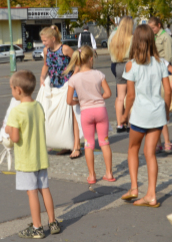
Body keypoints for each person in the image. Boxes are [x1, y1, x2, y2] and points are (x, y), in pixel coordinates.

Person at [6, 70, 61, 239]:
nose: (12, 92)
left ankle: (37, 227)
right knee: (44, 189)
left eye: (12, 89)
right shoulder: (38, 106)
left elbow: (15, 138)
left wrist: (8, 129)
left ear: (18, 90)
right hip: (40, 157)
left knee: (31, 192)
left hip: (26, 160)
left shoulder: (16, 112)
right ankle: (52, 222)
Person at [121, 24, 172, 208]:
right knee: (150, 154)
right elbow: (167, 90)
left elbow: (131, 95)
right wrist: (166, 110)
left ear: (135, 41)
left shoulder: (131, 65)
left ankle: (134, 188)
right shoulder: (161, 63)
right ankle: (152, 194)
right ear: (152, 41)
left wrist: (125, 114)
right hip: (157, 114)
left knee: (133, 149)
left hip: (140, 115)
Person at [66, 46, 115, 184]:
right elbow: (108, 93)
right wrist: (97, 97)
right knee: (104, 142)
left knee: (89, 144)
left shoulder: (74, 79)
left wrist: (81, 100)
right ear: (91, 59)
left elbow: (69, 101)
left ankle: (92, 175)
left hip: (86, 111)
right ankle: (109, 173)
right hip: (100, 110)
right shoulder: (99, 74)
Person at [39, 25, 81, 159]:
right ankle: (65, 144)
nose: (43, 43)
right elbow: (46, 64)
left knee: (72, 115)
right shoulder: (47, 50)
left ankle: (76, 146)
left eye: (45, 40)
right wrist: (42, 76)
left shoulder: (65, 48)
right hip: (53, 84)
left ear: (53, 38)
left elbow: (78, 62)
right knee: (57, 115)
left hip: (67, 85)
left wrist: (74, 76)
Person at [148, 17, 172, 154]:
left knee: (161, 110)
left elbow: (168, 57)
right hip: (154, 70)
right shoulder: (154, 36)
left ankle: (166, 141)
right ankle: (158, 142)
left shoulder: (165, 36)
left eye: (153, 28)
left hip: (163, 69)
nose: (151, 30)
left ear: (159, 25)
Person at [107, 17, 133, 133]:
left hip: (118, 65)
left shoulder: (113, 37)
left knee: (120, 97)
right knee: (130, 95)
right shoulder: (132, 38)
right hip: (130, 65)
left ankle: (119, 124)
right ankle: (128, 122)